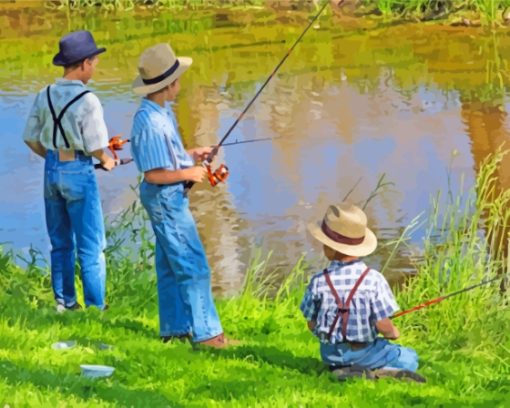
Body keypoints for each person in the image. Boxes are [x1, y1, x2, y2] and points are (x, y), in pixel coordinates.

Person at [130, 43, 236, 348]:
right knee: (193, 265)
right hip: (166, 200)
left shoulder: (159, 112)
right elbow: (153, 174)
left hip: (168, 196)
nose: (180, 83)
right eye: (178, 79)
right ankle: (208, 335)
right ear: (169, 84)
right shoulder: (149, 121)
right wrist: (189, 174)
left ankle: (175, 329)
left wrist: (192, 155)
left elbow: (167, 158)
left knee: (169, 265)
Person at [22, 30, 115, 312]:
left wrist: (52, 158)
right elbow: (97, 145)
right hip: (78, 170)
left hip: (51, 169)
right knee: (91, 244)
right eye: (94, 62)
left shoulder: (44, 94)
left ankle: (64, 302)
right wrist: (107, 159)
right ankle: (96, 307)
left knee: (60, 242)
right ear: (84, 63)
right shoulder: (89, 100)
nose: (95, 67)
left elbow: (30, 136)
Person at [300, 202, 425, 382]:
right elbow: (383, 324)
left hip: (330, 354)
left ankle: (346, 369)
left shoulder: (318, 281)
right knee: (409, 357)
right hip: (364, 351)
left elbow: (311, 324)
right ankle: (376, 371)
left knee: (372, 353)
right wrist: (393, 333)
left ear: (330, 248)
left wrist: (329, 333)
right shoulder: (373, 280)